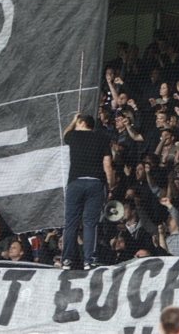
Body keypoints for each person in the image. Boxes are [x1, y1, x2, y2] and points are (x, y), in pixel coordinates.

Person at [61, 114, 114, 270]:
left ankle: (66, 261)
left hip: (76, 182)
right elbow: (108, 166)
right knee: (90, 223)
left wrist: (72, 120)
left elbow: (65, 135)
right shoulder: (102, 139)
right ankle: (89, 260)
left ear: (82, 123)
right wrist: (109, 187)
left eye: (78, 123)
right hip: (96, 183)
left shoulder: (74, 135)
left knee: (71, 223)